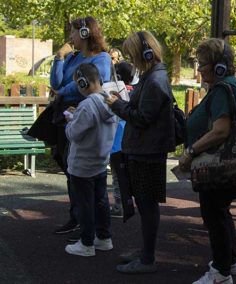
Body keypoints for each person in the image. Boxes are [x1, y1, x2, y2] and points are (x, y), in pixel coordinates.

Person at [179, 38, 236, 284]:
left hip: (219, 165)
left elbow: (220, 130)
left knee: (214, 214)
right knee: (220, 211)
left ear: (219, 66)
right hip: (230, 163)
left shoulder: (222, 89)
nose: (199, 69)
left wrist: (191, 151)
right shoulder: (231, 86)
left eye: (202, 64)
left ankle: (221, 273)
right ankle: (231, 261)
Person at [105, 31, 175, 274]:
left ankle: (147, 258)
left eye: (132, 55)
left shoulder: (155, 80)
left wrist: (118, 106)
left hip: (148, 151)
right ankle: (146, 250)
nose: (131, 60)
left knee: (147, 205)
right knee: (145, 205)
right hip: (144, 149)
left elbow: (143, 117)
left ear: (145, 53)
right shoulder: (151, 76)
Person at [50, 16, 111, 235]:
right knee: (70, 168)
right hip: (65, 114)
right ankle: (77, 216)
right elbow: (56, 83)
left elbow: (93, 85)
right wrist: (59, 58)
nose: (71, 37)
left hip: (84, 113)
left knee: (84, 171)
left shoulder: (102, 59)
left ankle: (88, 223)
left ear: (85, 33)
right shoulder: (73, 57)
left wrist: (62, 92)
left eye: (74, 32)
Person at [63, 63, 117, 256]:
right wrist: (77, 114)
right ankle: (104, 238)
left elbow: (74, 134)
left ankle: (86, 243)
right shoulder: (110, 101)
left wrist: (70, 119)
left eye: (78, 83)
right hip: (100, 161)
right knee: (101, 202)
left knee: (85, 204)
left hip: (82, 164)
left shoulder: (87, 105)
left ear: (83, 82)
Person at [109, 61, 134, 218]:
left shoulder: (115, 93)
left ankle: (120, 205)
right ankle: (128, 202)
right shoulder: (135, 92)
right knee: (128, 175)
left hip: (116, 141)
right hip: (130, 140)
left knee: (117, 176)